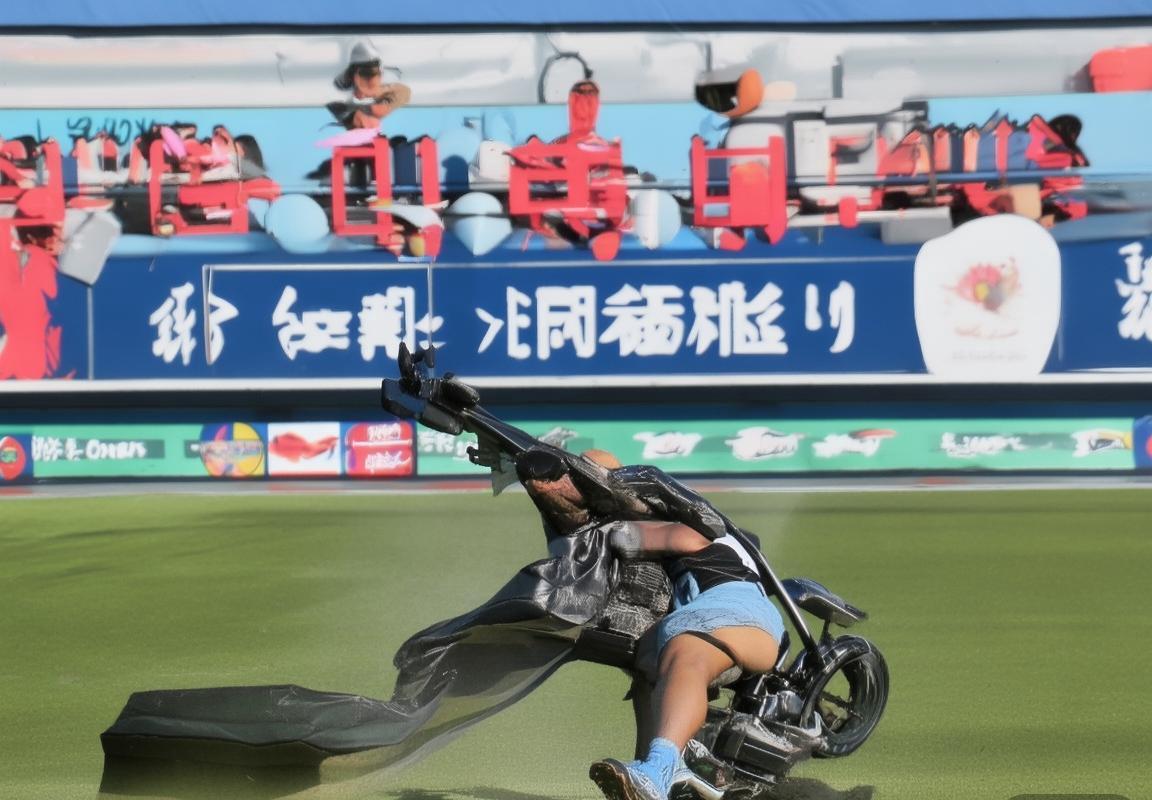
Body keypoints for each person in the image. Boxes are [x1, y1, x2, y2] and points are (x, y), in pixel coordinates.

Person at [514, 446, 785, 800]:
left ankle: (661, 767)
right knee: (644, 663)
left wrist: (608, 533)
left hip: (733, 604)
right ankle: (664, 768)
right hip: (704, 616)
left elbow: (688, 539)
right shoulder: (675, 514)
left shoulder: (683, 520)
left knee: (684, 648)